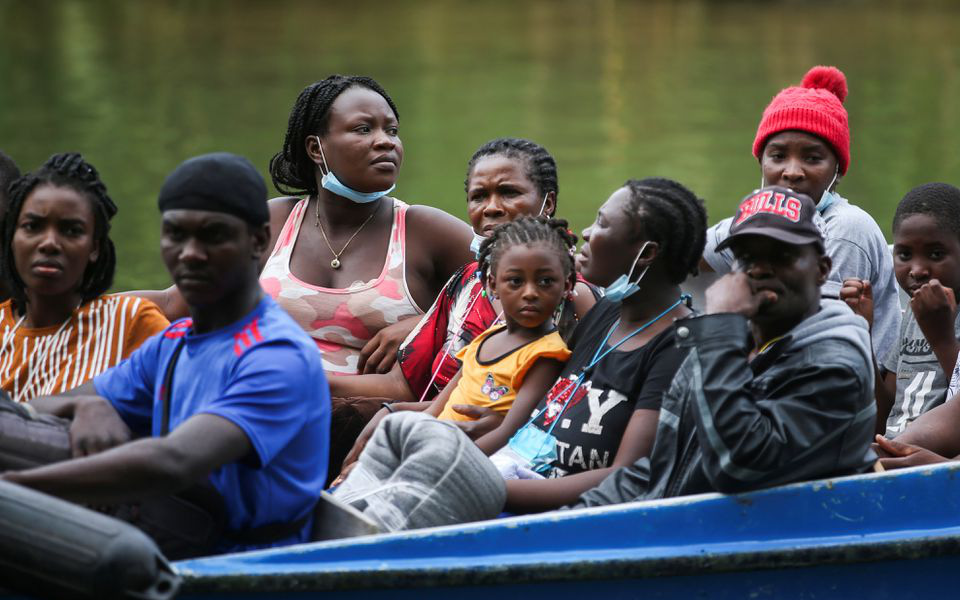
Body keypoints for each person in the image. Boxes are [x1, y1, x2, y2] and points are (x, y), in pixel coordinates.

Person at [330, 186, 878, 531]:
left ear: (822, 267)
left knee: (429, 458)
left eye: (782, 256)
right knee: (404, 432)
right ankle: (339, 520)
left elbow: (729, 463)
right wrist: (505, 424)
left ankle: (338, 551)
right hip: (573, 494)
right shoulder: (721, 332)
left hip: (666, 528)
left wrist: (504, 491)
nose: (760, 270)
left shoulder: (824, 354)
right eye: (749, 257)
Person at [331, 178, 708, 528]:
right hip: (508, 462)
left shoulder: (676, 345)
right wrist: (493, 424)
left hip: (548, 508)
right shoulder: (607, 313)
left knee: (430, 454)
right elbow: (530, 387)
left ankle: (349, 547)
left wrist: (490, 483)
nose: (588, 234)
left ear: (646, 253)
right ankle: (340, 517)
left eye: (602, 224)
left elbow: (626, 474)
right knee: (398, 426)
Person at [2, 153, 330, 555]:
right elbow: (41, 406)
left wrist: (13, 492)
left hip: (230, 551)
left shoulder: (277, 354)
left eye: (213, 235)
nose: (190, 252)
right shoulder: (173, 342)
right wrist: (88, 408)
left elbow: (175, 462)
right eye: (176, 234)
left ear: (259, 241)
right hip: (160, 519)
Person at [135, 75, 474, 375]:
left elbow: (511, 289)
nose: (386, 141)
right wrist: (85, 307)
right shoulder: (275, 221)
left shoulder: (424, 229)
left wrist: (428, 324)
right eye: (363, 129)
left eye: (392, 130)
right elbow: (173, 305)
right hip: (262, 403)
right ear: (316, 148)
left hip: (373, 422)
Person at [325, 139, 598, 467]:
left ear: (548, 202)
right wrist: (312, 381)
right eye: (479, 196)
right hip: (436, 420)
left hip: (512, 450)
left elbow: (584, 403)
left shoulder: (573, 297)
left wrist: (503, 426)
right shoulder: (470, 281)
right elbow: (404, 385)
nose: (491, 208)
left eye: (508, 192)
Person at [339, 217, 576, 481]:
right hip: (440, 442)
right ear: (492, 285)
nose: (530, 292)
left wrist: (444, 465)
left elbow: (510, 430)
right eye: (515, 281)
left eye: (545, 282)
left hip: (479, 460)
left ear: (566, 286)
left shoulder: (545, 355)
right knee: (378, 445)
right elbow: (436, 409)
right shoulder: (486, 339)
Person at [701, 65, 900, 370]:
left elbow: (810, 341)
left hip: (830, 382)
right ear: (761, 161)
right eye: (778, 156)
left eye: (812, 158)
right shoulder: (759, 218)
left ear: (837, 169)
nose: (792, 172)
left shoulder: (845, 228)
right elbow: (689, 252)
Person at [0, 153, 168, 403]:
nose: (49, 244)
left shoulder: (131, 323)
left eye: (72, 231)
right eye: (33, 227)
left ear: (94, 248)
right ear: (12, 238)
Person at [843, 183, 960, 437]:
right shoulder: (912, 316)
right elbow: (882, 414)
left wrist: (942, 339)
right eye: (905, 255)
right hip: (891, 450)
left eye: (936, 254)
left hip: (931, 457)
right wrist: (862, 333)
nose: (917, 270)